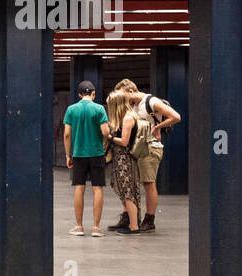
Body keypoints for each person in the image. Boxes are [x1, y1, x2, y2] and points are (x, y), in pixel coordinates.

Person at [111, 79, 181, 232]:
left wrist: (157, 127)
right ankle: (128, 216)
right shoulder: (134, 106)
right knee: (131, 184)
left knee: (149, 183)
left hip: (150, 148)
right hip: (138, 149)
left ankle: (149, 220)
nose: (123, 100)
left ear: (131, 91)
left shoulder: (151, 101)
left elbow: (176, 116)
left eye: (123, 95)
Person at [62, 80, 112, 237]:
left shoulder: (71, 109)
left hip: (78, 154)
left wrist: (68, 155)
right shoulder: (99, 109)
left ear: (79, 94)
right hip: (97, 153)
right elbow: (105, 132)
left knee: (79, 188)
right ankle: (96, 228)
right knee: (97, 189)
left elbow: (67, 134)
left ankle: (79, 227)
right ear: (94, 93)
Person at [105, 90, 142, 235]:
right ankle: (131, 222)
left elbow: (124, 141)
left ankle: (134, 227)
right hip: (121, 159)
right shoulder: (125, 117)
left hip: (125, 159)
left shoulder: (128, 118)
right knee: (125, 191)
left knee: (128, 192)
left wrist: (110, 137)